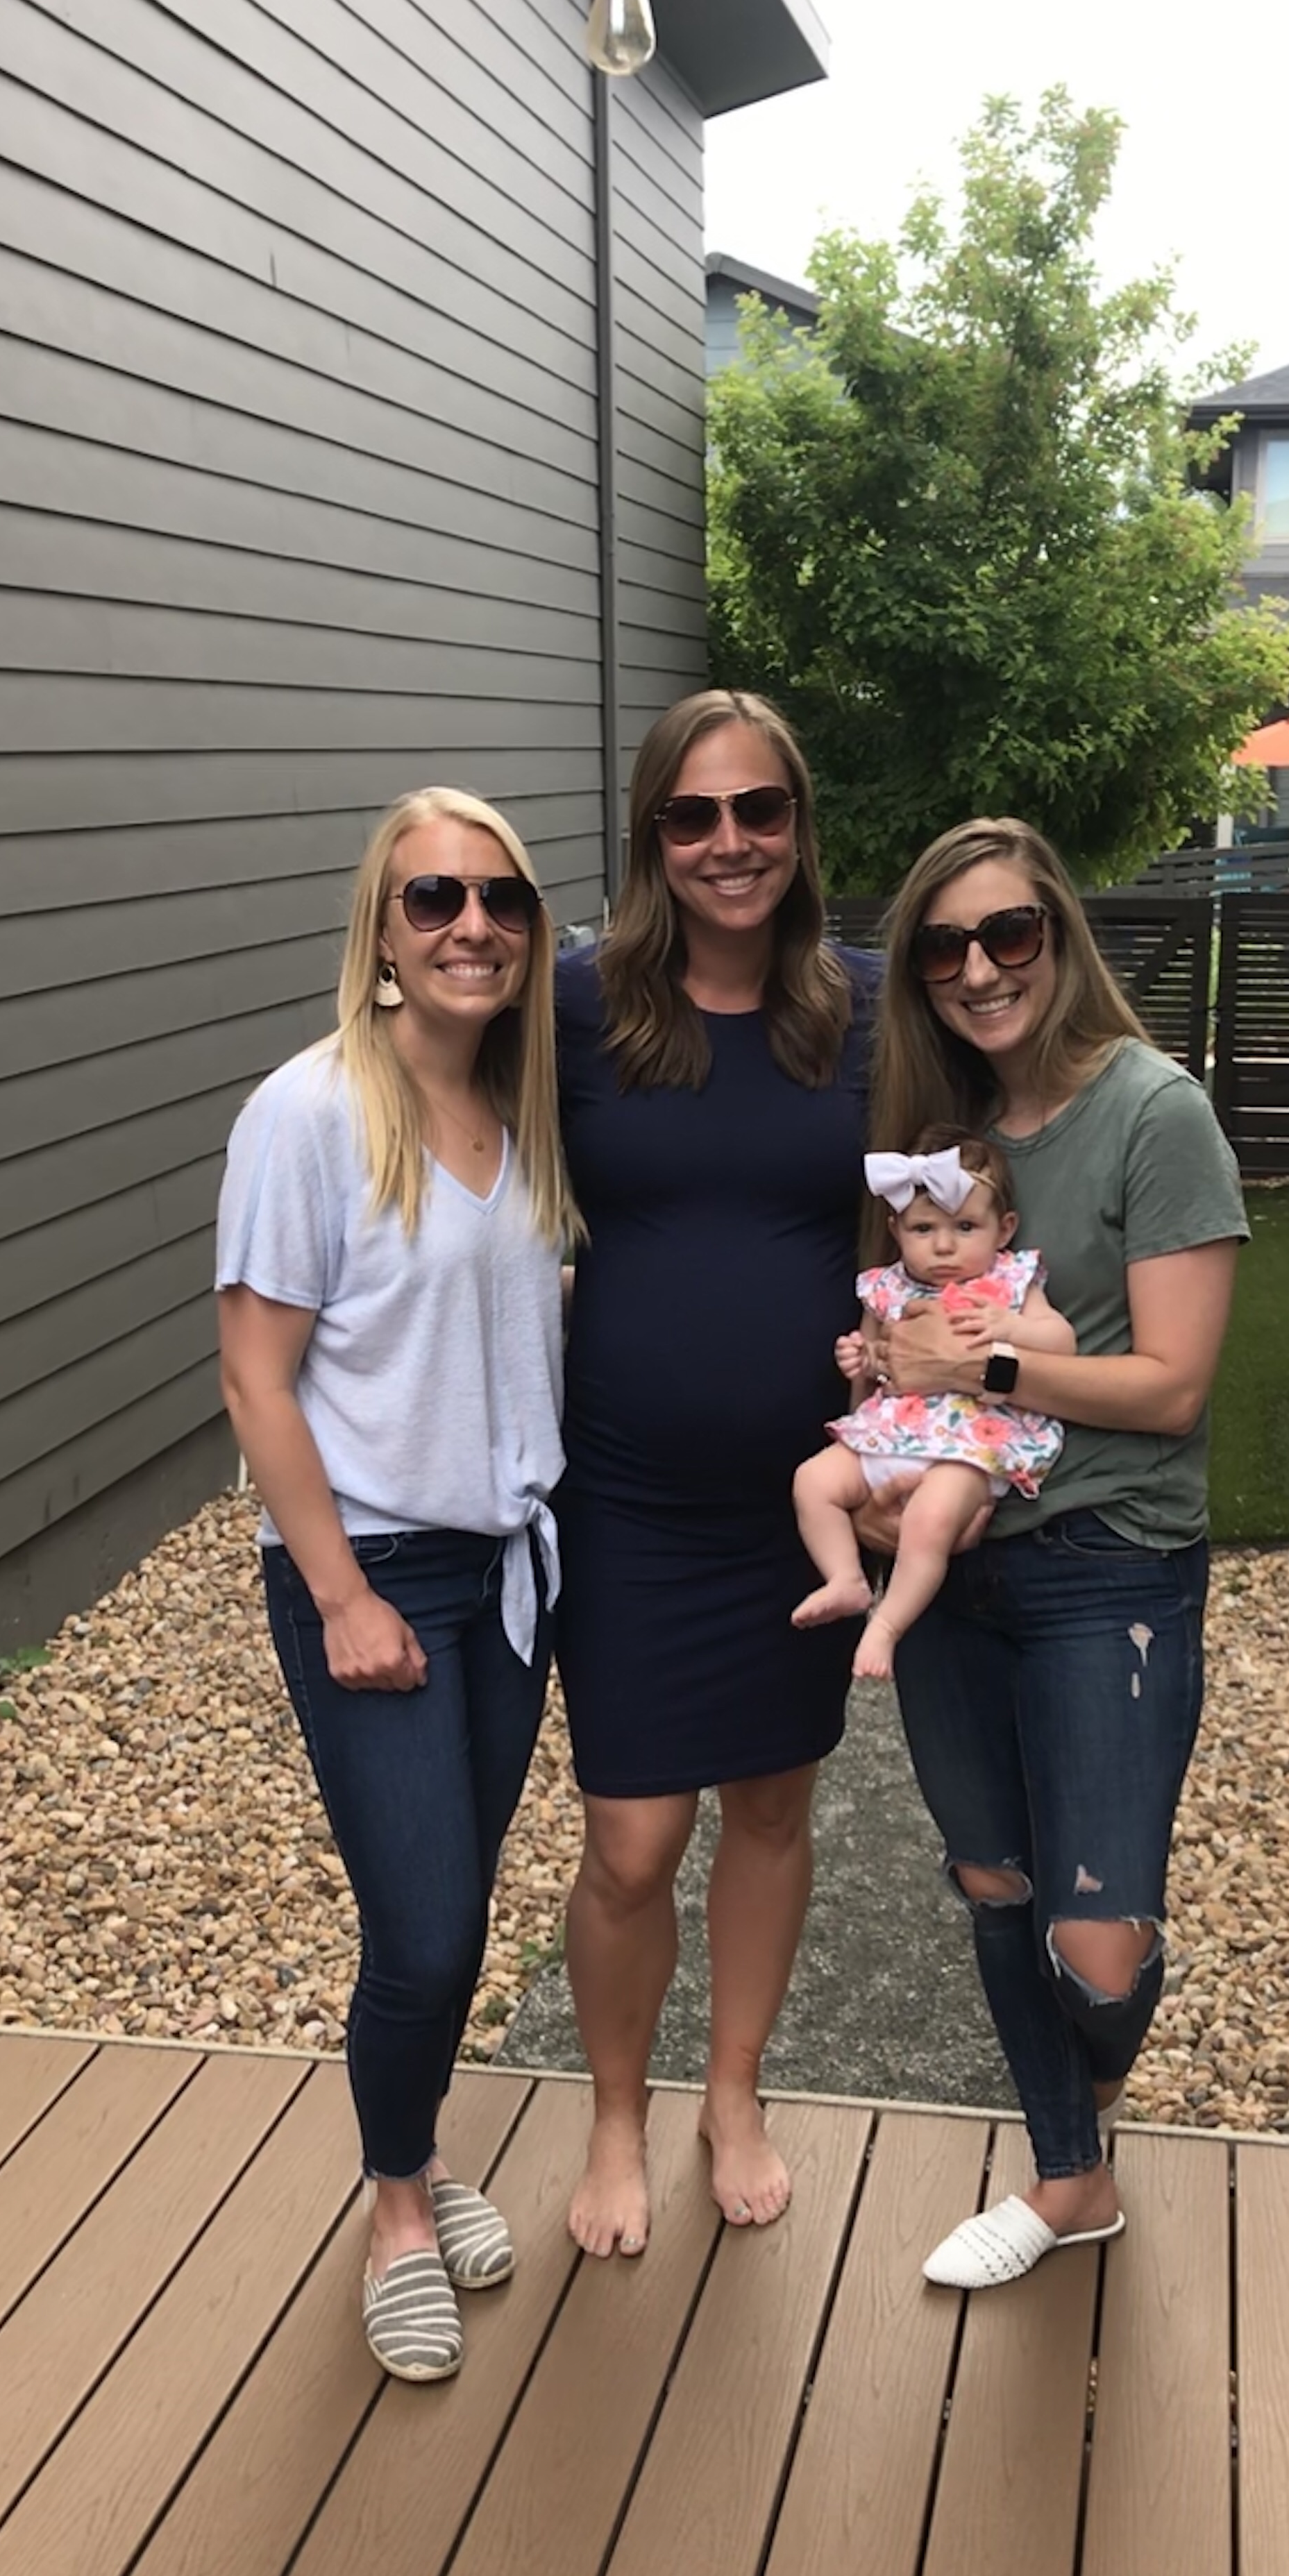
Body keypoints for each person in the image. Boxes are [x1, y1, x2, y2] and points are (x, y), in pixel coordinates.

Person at [216, 787, 574, 2380]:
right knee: (423, 1931)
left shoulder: (526, 1109)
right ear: (381, 927)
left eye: (500, 899)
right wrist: (343, 1596)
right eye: (435, 898)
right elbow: (254, 1378)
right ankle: (397, 2211)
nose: (471, 927)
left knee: (461, 1904)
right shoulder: (308, 1115)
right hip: (377, 1577)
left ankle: (420, 2148)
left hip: (512, 1575)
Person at [865, 816, 1245, 2290]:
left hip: (1108, 1564)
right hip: (954, 1566)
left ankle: (1084, 2068)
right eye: (942, 947)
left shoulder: (1155, 1111)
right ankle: (1070, 2177)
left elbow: (1171, 1386)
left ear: (1057, 936)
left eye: (1007, 934)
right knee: (995, 1884)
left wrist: (981, 1371)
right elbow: (892, 1336)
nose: (978, 969)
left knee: (1096, 1946)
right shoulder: (942, 1139)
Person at [555, 690, 875, 2259]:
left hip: (797, 1507)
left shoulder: (860, 1011)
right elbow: (424, 1101)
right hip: (624, 1501)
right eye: (693, 815)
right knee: (630, 1843)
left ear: (799, 827)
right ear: (651, 836)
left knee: (769, 1803)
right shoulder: (578, 1006)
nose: (729, 843)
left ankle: (731, 2091)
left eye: (759, 810)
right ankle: (616, 2110)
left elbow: (972, 1187)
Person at [791, 1133, 1072, 1680]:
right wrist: (861, 1358)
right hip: (893, 1432)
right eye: (924, 1229)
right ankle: (845, 1578)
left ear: (1004, 1229)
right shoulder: (885, 1288)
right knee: (812, 1481)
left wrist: (1011, 1327)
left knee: (931, 1518)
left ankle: (888, 1625)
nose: (944, 1246)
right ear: (896, 1230)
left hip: (970, 1445)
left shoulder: (1009, 1281)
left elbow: (1062, 1342)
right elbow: (877, 1364)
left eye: (965, 1227)